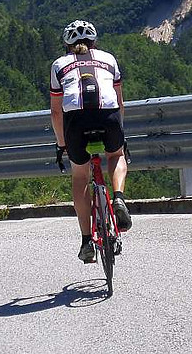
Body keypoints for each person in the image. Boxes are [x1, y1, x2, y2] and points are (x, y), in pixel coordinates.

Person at [50, 19, 132, 263]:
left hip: (76, 120)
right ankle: (118, 198)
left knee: (80, 176)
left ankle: (87, 240)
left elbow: (56, 112)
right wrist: (120, 134)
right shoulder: (109, 59)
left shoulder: (59, 64)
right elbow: (120, 102)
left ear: (67, 45)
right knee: (116, 155)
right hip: (108, 115)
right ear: (94, 42)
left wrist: (62, 144)